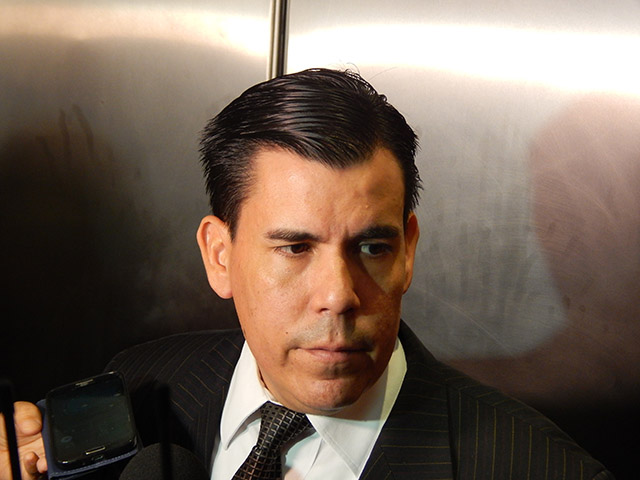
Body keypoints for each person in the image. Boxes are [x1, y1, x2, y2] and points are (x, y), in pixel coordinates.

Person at [1, 68, 613, 480]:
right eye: (294, 248)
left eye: (371, 247)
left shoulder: (538, 467)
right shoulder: (142, 386)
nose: (339, 296)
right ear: (220, 256)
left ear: (408, 252)